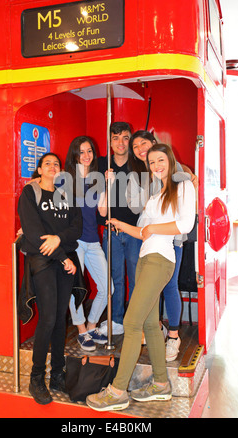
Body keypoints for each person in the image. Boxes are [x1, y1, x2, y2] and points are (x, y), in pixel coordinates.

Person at [86, 143, 196, 412]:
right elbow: (142, 232)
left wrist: (152, 228)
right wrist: (121, 225)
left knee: (132, 323)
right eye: (152, 162)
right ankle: (161, 384)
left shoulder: (182, 187)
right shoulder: (156, 197)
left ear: (170, 160)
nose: (157, 165)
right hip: (146, 259)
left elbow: (185, 224)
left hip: (161, 259)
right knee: (147, 324)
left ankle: (117, 391)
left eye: (161, 160)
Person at [18, 153, 83, 405]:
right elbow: (34, 233)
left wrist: (59, 240)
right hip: (44, 261)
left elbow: (75, 229)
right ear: (40, 170)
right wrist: (61, 254)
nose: (53, 167)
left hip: (64, 260)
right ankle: (37, 377)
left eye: (57, 164)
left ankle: (57, 373)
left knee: (60, 319)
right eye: (48, 164)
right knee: (48, 318)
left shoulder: (66, 194)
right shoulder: (30, 193)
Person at [127, 129, 197, 361]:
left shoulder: (179, 172)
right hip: (148, 241)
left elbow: (186, 207)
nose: (140, 149)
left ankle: (174, 337)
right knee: (150, 288)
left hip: (172, 240)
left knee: (169, 285)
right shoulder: (143, 174)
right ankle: (156, 329)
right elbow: (140, 208)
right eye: (135, 146)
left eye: (143, 143)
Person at [65, 136, 111, 351]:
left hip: (93, 241)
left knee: (107, 288)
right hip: (74, 242)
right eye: (81, 152)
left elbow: (102, 211)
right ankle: (81, 330)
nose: (86, 156)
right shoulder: (65, 179)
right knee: (76, 288)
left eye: (89, 151)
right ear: (75, 154)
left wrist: (108, 186)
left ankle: (92, 325)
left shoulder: (97, 179)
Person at [97, 122, 142, 336]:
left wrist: (188, 173)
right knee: (114, 279)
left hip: (135, 233)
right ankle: (116, 320)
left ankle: (133, 321)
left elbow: (168, 166)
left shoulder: (138, 164)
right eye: (115, 138)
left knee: (135, 278)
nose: (120, 142)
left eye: (125, 137)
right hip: (111, 232)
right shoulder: (101, 164)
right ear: (110, 141)